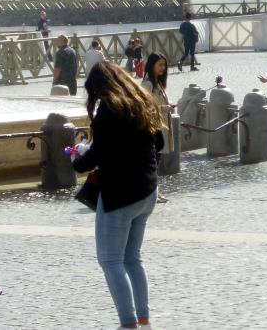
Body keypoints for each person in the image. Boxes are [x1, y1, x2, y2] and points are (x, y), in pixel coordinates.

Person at [71, 62, 164, 330]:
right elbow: (159, 143)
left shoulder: (109, 111)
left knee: (111, 261)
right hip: (147, 191)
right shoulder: (142, 101)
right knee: (132, 258)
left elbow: (97, 155)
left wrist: (77, 160)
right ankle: (143, 320)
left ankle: (128, 324)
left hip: (120, 196)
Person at [141, 53, 173, 203]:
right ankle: (151, 193)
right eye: (159, 65)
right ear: (152, 65)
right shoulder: (148, 83)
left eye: (164, 65)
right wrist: (164, 108)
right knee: (153, 161)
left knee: (156, 161)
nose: (163, 68)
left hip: (160, 126)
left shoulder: (157, 82)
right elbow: (144, 107)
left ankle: (155, 191)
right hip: (153, 128)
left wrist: (167, 105)